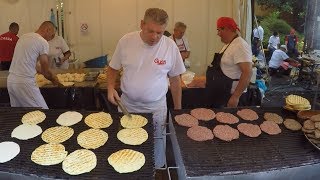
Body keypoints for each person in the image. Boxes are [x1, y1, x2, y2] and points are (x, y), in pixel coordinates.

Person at [107, 8, 186, 168]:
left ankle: (156, 171)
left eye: (160, 32)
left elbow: (175, 80)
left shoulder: (170, 46)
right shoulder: (126, 41)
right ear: (142, 24)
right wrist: (110, 87)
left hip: (156, 108)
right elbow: (113, 67)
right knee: (126, 144)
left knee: (156, 144)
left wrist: (177, 109)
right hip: (128, 106)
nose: (155, 37)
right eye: (151, 31)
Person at [7, 21, 61, 109]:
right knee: (43, 112)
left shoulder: (24, 37)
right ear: (47, 30)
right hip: (25, 83)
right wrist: (54, 80)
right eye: (52, 35)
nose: (51, 38)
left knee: (19, 113)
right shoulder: (42, 42)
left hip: (11, 81)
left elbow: (34, 65)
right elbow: (45, 71)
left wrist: (47, 73)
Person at [206, 17, 252, 108]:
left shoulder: (240, 45)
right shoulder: (229, 44)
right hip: (222, 93)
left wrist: (235, 97)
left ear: (227, 29)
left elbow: (247, 72)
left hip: (231, 95)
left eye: (219, 30)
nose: (218, 34)